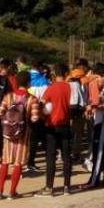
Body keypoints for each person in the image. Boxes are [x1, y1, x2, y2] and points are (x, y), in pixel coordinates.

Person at [0, 70, 40, 200]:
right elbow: (35, 118)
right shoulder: (32, 99)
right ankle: (12, 192)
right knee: (18, 163)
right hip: (23, 135)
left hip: (8, 134)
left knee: (5, 162)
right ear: (29, 83)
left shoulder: (8, 96)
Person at [34, 63, 73, 197]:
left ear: (54, 74)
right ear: (67, 73)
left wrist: (43, 117)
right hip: (66, 125)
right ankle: (67, 187)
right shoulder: (70, 87)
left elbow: (40, 105)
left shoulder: (50, 88)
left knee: (50, 156)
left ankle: (49, 187)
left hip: (51, 125)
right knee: (66, 156)